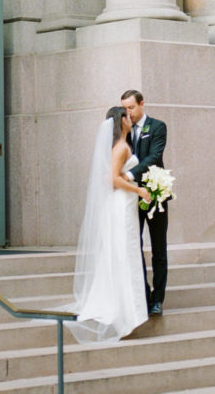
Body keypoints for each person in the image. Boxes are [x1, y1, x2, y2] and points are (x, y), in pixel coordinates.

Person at [66, 106, 152, 344]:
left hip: (125, 204)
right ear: (121, 121)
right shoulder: (121, 147)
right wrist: (139, 190)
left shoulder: (123, 145)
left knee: (126, 253)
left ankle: (130, 312)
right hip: (121, 204)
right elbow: (112, 179)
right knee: (123, 253)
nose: (130, 117)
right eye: (127, 115)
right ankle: (125, 314)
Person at [121, 89, 169, 317]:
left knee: (159, 248)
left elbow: (154, 157)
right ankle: (143, 292)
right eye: (125, 109)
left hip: (155, 193)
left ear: (141, 104)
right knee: (135, 245)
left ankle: (158, 298)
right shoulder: (125, 131)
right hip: (132, 196)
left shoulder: (158, 127)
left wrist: (129, 175)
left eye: (131, 107)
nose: (128, 112)